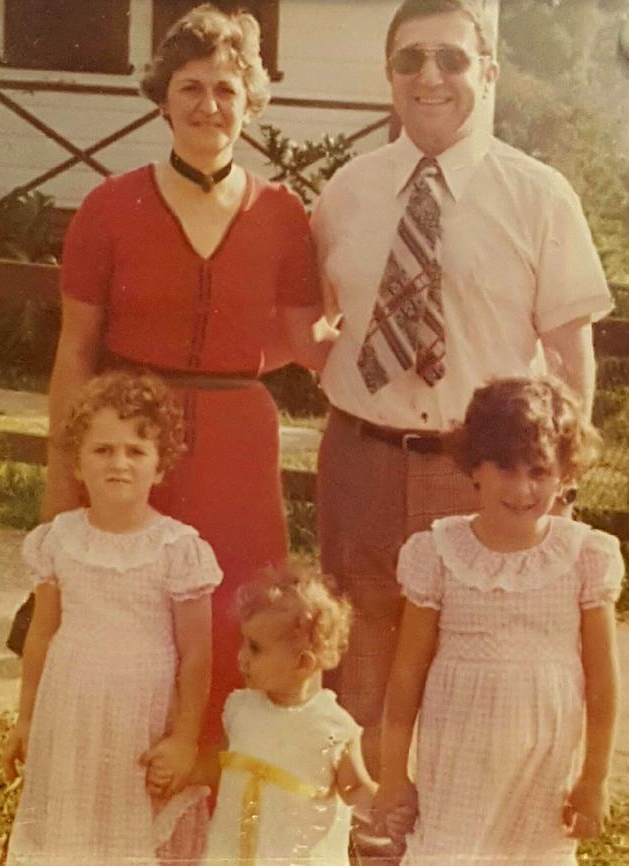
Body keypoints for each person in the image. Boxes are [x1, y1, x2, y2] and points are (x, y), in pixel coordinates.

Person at [310, 0, 614, 769]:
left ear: (490, 72)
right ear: (390, 78)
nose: (430, 77)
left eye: (450, 58)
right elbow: (311, 320)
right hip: (363, 461)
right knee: (361, 664)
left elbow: (571, 355)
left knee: (472, 671)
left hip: (480, 473)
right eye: (410, 61)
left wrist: (558, 486)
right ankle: (369, 838)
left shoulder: (540, 194)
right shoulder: (347, 190)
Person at [33, 3, 326, 746]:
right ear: (164, 97)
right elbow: (75, 351)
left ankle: (215, 817)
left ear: (250, 102)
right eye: (192, 87)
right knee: (123, 615)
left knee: (236, 616)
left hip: (238, 443)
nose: (209, 105)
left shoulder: (285, 214)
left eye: (227, 89)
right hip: (132, 438)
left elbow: (300, 338)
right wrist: (65, 470)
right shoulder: (108, 207)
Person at [375, 376, 623, 865]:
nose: (522, 488)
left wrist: (594, 779)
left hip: (545, 760)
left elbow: (602, 681)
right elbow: (406, 674)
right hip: (459, 750)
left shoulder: (585, 556)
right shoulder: (440, 552)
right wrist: (392, 773)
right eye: (505, 469)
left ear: (566, 474)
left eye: (539, 471)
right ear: (475, 468)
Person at [2, 371, 223, 866]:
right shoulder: (59, 539)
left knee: (128, 834)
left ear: (160, 467)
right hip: (69, 711)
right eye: (102, 450)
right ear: (78, 462)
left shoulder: (177, 548)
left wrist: (185, 737)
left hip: (139, 718)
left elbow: (197, 655)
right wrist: (27, 717)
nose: (118, 463)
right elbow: (41, 634)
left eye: (135, 451)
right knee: (67, 828)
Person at [194, 569, 378, 865]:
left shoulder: (331, 725)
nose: (241, 656)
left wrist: (385, 809)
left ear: (302, 663)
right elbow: (220, 761)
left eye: (255, 648)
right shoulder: (241, 708)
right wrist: (186, 771)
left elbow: (354, 787)